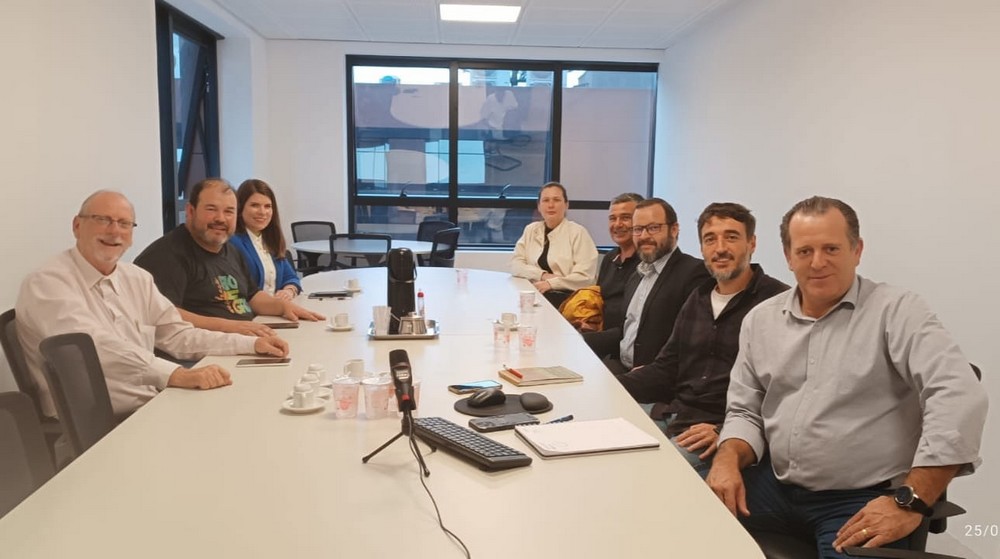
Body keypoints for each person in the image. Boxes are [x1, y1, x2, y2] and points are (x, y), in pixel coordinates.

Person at [707, 196, 987, 558]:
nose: (817, 262)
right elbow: (745, 410)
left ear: (857, 250)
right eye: (805, 251)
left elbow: (959, 395)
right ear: (788, 256)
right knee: (686, 520)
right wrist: (727, 459)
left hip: (859, 499)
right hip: (775, 486)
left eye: (831, 248)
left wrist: (912, 500)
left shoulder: (897, 311)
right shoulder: (761, 321)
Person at [15, 191, 290, 418]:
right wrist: (176, 374)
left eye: (124, 224)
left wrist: (251, 345)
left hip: (149, 403)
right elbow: (90, 348)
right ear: (77, 225)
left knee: (255, 408)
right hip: (96, 423)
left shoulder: (136, 278)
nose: (114, 231)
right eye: (102, 220)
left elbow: (177, 334)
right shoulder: (48, 283)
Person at [617, 202, 788, 477]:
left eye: (731, 237)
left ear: (752, 243)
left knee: (646, 474)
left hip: (718, 432)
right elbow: (666, 368)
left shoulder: (777, 304)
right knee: (598, 438)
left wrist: (727, 431)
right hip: (673, 415)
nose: (720, 248)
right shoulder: (698, 297)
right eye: (710, 239)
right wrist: (608, 387)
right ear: (702, 248)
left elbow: (783, 393)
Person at [135, 178, 324, 336]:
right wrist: (232, 327)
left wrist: (283, 307)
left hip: (243, 339)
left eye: (229, 211)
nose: (221, 218)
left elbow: (252, 296)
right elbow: (164, 315)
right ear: (191, 211)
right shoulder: (167, 254)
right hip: (201, 355)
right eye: (211, 209)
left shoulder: (230, 250)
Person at [584, 198, 709, 374]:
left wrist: (647, 374)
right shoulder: (637, 276)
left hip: (655, 376)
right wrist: (577, 340)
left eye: (653, 228)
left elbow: (690, 343)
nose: (643, 236)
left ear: (674, 229)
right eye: (638, 229)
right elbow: (626, 331)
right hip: (623, 366)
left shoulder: (693, 273)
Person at [510, 182, 598, 307]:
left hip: (568, 300)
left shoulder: (578, 233)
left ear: (566, 205)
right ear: (539, 206)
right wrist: (543, 275)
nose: (551, 205)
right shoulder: (531, 230)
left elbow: (585, 277)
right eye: (546, 200)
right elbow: (515, 265)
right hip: (535, 294)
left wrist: (551, 284)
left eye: (556, 200)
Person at [230, 179, 302, 301]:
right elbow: (240, 290)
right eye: (254, 205)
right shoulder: (232, 242)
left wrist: (289, 290)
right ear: (240, 208)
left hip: (275, 307)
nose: (262, 212)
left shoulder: (270, 240)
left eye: (267, 206)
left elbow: (291, 277)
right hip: (250, 310)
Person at [596, 192, 644, 331]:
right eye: (613, 218)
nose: (617, 224)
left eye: (625, 218)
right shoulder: (609, 258)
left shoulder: (647, 263)